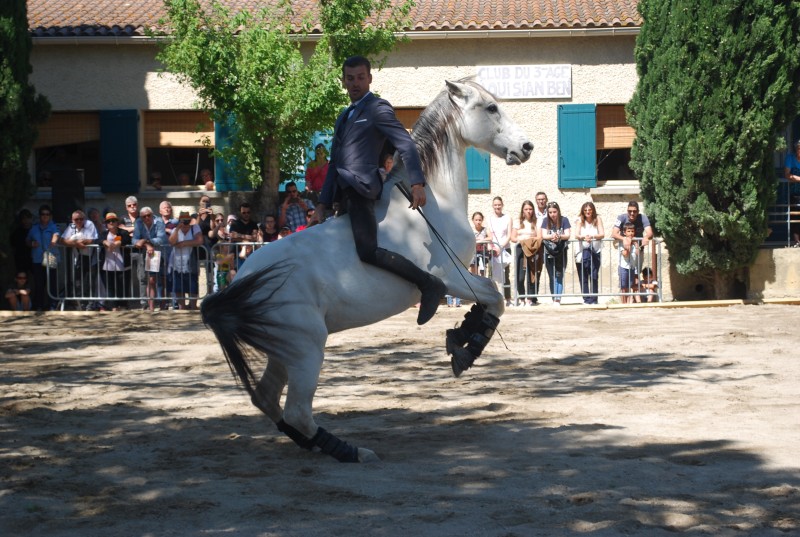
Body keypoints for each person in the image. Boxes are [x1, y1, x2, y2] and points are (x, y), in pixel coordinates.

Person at [310, 55, 445, 325]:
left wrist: (417, 183)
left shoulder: (377, 108)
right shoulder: (344, 116)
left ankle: (428, 284)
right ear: (344, 81)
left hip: (361, 189)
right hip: (341, 194)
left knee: (367, 250)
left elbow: (405, 145)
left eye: (360, 77)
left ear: (369, 78)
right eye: (350, 78)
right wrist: (322, 205)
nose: (355, 83)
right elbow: (335, 162)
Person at [61, 209, 99, 310]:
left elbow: (91, 239)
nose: (79, 221)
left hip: (91, 258)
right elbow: (63, 240)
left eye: (81, 219)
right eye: (76, 219)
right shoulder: (71, 227)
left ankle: (91, 304)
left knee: (90, 282)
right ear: (72, 220)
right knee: (78, 283)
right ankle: (81, 304)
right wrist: (76, 243)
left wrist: (78, 242)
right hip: (78, 258)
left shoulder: (89, 224)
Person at [27, 204, 61, 311]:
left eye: (47, 214)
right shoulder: (34, 227)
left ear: (50, 216)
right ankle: (39, 305)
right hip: (37, 258)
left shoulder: (53, 225)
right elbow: (27, 240)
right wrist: (32, 243)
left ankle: (53, 305)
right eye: (43, 214)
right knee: (39, 283)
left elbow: (56, 234)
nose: (45, 216)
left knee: (52, 283)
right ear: (40, 215)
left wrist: (53, 241)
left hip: (50, 257)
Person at [133, 206, 167, 312]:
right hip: (147, 255)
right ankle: (151, 307)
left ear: (152, 214)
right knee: (151, 280)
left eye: (149, 215)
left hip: (160, 253)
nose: (147, 218)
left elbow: (161, 239)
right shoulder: (138, 222)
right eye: (144, 216)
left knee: (162, 280)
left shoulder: (159, 221)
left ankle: (163, 305)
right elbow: (134, 240)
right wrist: (146, 244)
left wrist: (146, 241)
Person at [97, 212, 132, 311]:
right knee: (110, 287)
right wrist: (105, 242)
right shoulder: (104, 234)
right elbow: (98, 240)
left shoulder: (122, 232)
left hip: (122, 265)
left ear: (117, 222)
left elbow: (127, 239)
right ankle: (113, 306)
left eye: (113, 220)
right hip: (107, 265)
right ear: (106, 224)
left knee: (122, 286)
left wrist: (117, 243)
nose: (111, 222)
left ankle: (123, 305)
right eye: (109, 221)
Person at [169, 211, 204, 310]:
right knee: (179, 288)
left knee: (192, 286)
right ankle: (182, 308)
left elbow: (200, 240)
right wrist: (177, 229)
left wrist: (184, 243)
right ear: (179, 221)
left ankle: (193, 306)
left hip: (190, 260)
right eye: (183, 221)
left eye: (187, 221)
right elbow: (171, 242)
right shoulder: (175, 229)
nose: (185, 223)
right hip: (177, 262)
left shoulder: (194, 228)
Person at [573, 201, 605, 304]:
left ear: (593, 210)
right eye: (585, 210)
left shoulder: (597, 219)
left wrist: (593, 237)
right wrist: (584, 237)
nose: (588, 212)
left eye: (590, 210)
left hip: (595, 250)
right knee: (583, 276)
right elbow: (576, 235)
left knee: (594, 275)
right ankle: (586, 299)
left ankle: (594, 299)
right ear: (583, 211)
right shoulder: (579, 220)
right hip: (582, 251)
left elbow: (602, 234)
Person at [510, 200, 541, 306]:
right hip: (521, 249)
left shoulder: (536, 222)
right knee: (520, 276)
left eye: (530, 209)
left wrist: (530, 240)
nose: (528, 211)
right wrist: (522, 239)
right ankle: (522, 296)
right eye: (526, 209)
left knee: (531, 275)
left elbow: (539, 236)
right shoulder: (517, 222)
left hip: (532, 249)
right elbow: (513, 237)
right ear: (523, 211)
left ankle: (530, 298)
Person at [540, 201, 571, 305]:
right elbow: (544, 235)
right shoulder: (545, 221)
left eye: (554, 212)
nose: (552, 214)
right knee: (551, 276)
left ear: (558, 211)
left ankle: (558, 299)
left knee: (559, 275)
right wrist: (552, 236)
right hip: (549, 252)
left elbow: (567, 235)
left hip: (561, 251)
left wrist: (559, 236)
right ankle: (554, 298)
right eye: (550, 212)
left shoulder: (564, 220)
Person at [120, 196, 146, 309]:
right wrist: (134, 229)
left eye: (134, 205)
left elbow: (144, 231)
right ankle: (125, 302)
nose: (132, 207)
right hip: (126, 251)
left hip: (140, 250)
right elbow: (120, 231)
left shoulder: (143, 217)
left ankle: (143, 302)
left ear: (137, 205)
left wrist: (128, 229)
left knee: (142, 276)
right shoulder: (122, 218)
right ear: (126, 207)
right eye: (130, 205)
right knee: (125, 277)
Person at [488, 196, 512, 304]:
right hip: (493, 250)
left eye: (499, 204)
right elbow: (490, 235)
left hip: (505, 249)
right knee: (492, 275)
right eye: (495, 205)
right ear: (493, 206)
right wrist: (493, 248)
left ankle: (507, 298)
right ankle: (493, 298)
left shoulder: (508, 218)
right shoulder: (489, 219)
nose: (497, 206)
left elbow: (509, 235)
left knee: (505, 274)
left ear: (502, 205)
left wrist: (500, 247)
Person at [159, 200, 178, 309]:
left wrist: (166, 230)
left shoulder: (175, 222)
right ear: (160, 211)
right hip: (159, 255)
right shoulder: (156, 222)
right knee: (161, 280)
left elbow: (177, 234)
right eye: (164, 207)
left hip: (172, 254)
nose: (167, 209)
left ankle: (175, 303)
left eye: (168, 207)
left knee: (173, 279)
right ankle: (162, 303)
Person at [618, 221, 641, 304]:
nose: (631, 233)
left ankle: (628, 303)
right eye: (628, 231)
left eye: (632, 231)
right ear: (624, 232)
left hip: (631, 267)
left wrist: (635, 244)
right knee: (623, 287)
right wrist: (627, 246)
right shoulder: (622, 242)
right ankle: (623, 303)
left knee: (629, 286)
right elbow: (624, 254)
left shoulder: (635, 242)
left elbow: (637, 253)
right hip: (624, 267)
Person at [783, 140, 800, 246]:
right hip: (794, 192)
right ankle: (797, 241)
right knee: (795, 216)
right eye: (799, 148)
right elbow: (787, 174)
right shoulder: (790, 157)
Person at [11, 208, 33, 276]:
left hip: (33, 259)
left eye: (28, 218)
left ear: (31, 218)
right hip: (21, 260)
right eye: (24, 218)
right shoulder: (17, 232)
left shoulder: (35, 231)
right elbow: (13, 244)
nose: (26, 220)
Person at [470, 211, 493, 276]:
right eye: (476, 220)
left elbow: (490, 237)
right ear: (473, 220)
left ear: (482, 220)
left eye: (480, 220)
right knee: (473, 271)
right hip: (473, 253)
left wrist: (482, 240)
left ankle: (482, 284)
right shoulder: (470, 230)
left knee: (482, 271)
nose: (478, 222)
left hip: (483, 252)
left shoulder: (485, 229)